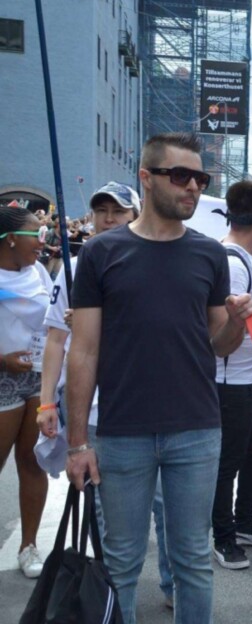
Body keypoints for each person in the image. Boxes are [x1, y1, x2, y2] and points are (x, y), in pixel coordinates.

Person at [64, 132, 252, 624]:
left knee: (193, 560)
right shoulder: (101, 253)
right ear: (146, 179)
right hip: (123, 432)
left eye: (200, 178)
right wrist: (78, 442)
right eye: (181, 175)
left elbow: (219, 345)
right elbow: (83, 351)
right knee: (123, 564)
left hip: (196, 428)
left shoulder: (210, 255)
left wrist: (235, 323)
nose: (193, 187)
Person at [35, 183, 178, 604]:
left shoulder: (155, 258)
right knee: (108, 518)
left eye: (118, 211)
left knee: (167, 509)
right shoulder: (75, 267)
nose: (109, 218)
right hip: (96, 415)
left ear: (136, 213)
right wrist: (47, 402)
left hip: (152, 406)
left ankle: (173, 585)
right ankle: (115, 601)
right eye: (101, 211)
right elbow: (56, 341)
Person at [211, 180, 252, 571]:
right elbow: (224, 328)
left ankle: (246, 521)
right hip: (230, 380)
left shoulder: (247, 256)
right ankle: (222, 536)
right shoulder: (232, 262)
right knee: (227, 463)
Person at [0, 205, 52, 578]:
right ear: (12, 238)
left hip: (37, 378)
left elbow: (50, 320)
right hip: (2, 377)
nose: (42, 240)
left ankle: (29, 546)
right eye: (36, 233)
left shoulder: (38, 273)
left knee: (33, 462)